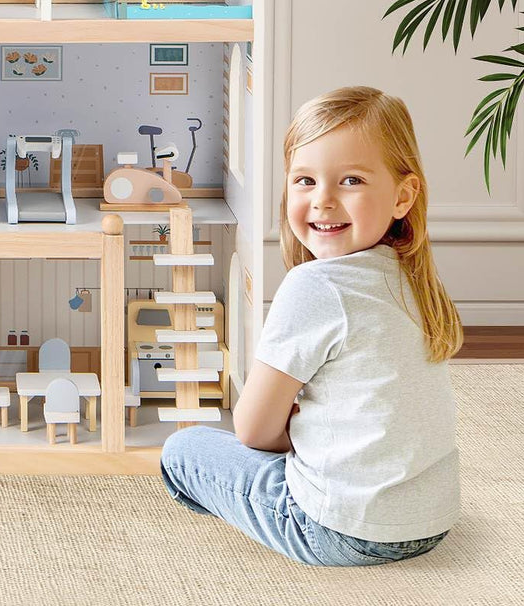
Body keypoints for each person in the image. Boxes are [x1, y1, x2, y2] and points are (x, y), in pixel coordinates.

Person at [160, 85, 462, 565]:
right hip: (432, 521)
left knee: (184, 447)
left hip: (337, 529)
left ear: (403, 196)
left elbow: (253, 430)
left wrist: (294, 435)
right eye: (305, 180)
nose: (323, 201)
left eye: (352, 181)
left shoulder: (313, 287)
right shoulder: (409, 274)